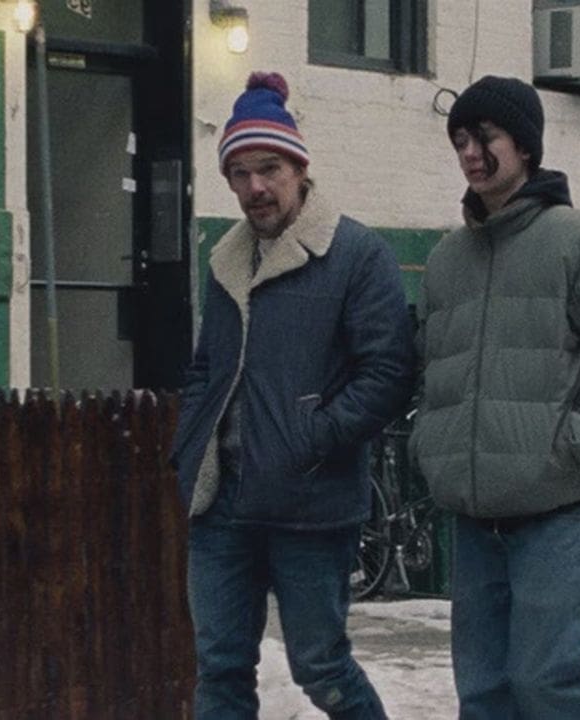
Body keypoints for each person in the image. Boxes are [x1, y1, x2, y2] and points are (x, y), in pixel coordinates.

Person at [408, 75, 580, 719]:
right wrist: (431, 445)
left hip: (557, 510)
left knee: (547, 682)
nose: (471, 154)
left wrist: (577, 442)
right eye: (460, 141)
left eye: (485, 138)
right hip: (475, 518)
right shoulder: (447, 259)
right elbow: (431, 370)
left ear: (524, 146)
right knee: (484, 692)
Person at [169, 72, 414, 719]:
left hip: (310, 503)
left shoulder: (356, 254)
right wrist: (191, 449)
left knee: (321, 668)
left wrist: (311, 438)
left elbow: (388, 372)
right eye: (240, 173)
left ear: (300, 168)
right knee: (220, 669)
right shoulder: (226, 259)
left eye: (269, 168)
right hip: (222, 506)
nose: (255, 186)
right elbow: (206, 368)